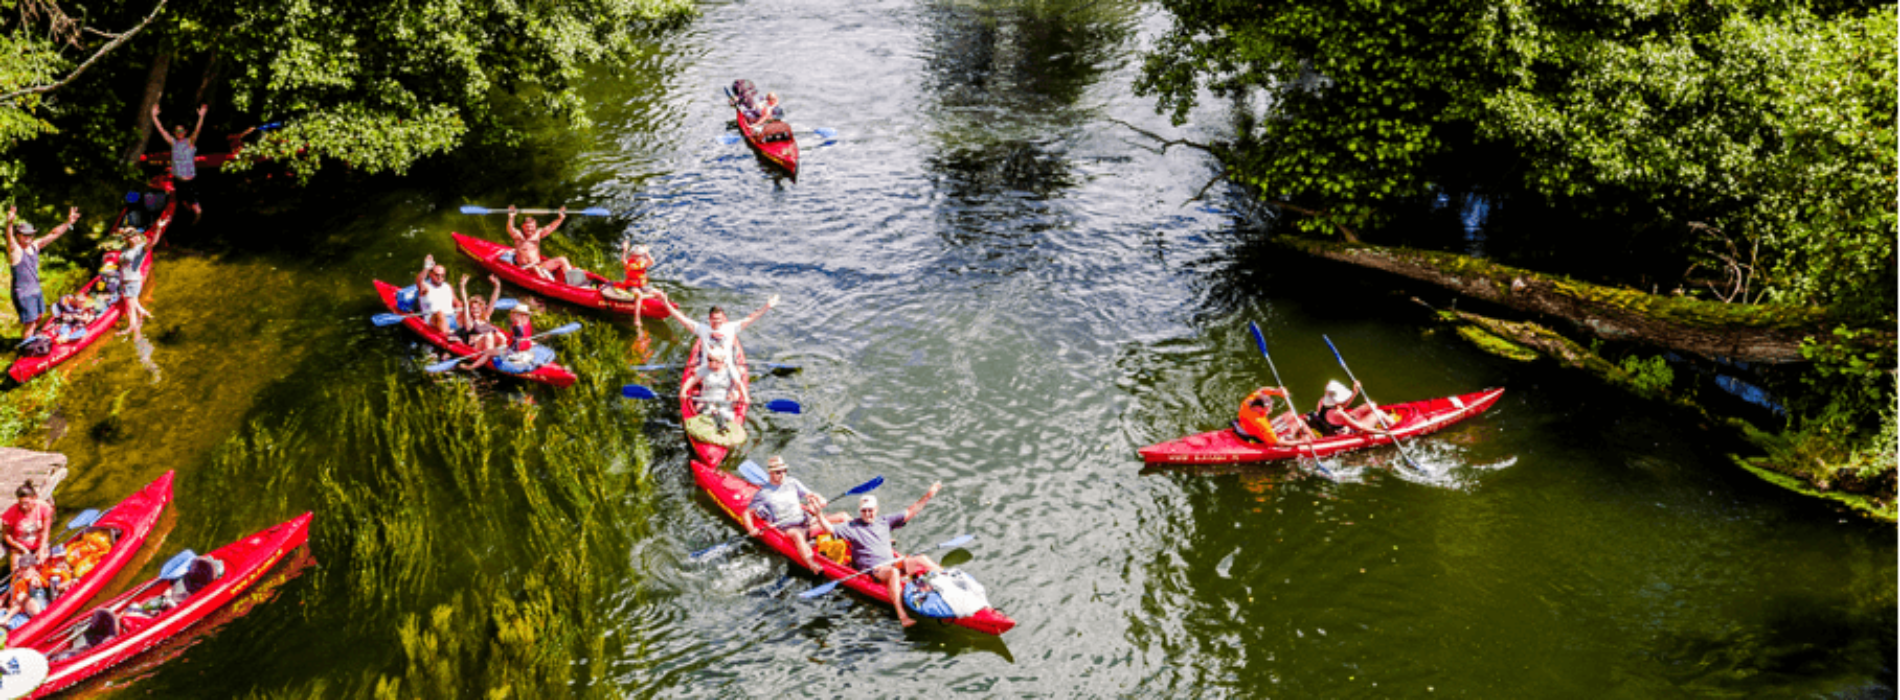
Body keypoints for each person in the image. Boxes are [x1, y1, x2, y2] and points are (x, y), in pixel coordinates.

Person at [814, 483, 944, 628]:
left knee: (921, 558)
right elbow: (830, 529)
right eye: (864, 511)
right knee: (893, 572)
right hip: (876, 571)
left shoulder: (884, 521)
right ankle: (903, 616)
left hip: (893, 562)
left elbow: (911, 511)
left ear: (876, 510)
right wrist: (819, 514)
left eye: (871, 510)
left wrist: (929, 495)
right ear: (860, 511)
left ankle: (947, 577)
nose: (868, 514)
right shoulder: (852, 526)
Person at [743, 456, 831, 574]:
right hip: (788, 528)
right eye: (778, 472)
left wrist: (820, 498)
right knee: (797, 535)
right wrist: (751, 528)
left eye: (784, 470)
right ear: (770, 473)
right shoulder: (764, 493)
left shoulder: (792, 482)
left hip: (805, 521)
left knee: (842, 516)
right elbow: (747, 513)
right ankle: (812, 565)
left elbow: (810, 495)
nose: (782, 474)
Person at [8, 206, 81, 342]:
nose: (29, 237)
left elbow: (53, 234)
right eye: (25, 235)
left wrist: (68, 223)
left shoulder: (35, 245)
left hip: (35, 289)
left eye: (31, 234)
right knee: (29, 323)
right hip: (24, 293)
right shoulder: (16, 251)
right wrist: (10, 223)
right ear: (18, 235)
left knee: (39, 315)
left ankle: (33, 339)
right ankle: (28, 349)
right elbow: (9, 239)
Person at [660, 293, 779, 370]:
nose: (716, 322)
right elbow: (681, 319)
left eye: (719, 319)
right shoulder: (702, 329)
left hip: (727, 367)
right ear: (709, 319)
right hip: (707, 366)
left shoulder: (731, 327)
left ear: (723, 319)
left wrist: (767, 306)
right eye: (714, 319)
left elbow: (751, 318)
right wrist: (666, 303)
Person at [149, 103, 208, 223]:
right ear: (175, 133)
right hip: (178, 180)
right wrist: (154, 116)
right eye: (176, 131)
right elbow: (162, 131)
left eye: (181, 130)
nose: (179, 132)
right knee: (182, 202)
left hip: (189, 181)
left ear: (185, 132)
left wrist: (201, 116)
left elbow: (197, 130)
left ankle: (198, 220)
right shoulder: (173, 143)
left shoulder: (189, 142)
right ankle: (186, 220)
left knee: (196, 207)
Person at [505, 206, 573, 282]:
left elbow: (551, 227)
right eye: (527, 227)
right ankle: (550, 284)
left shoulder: (538, 234)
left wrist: (560, 218)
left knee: (563, 259)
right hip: (525, 268)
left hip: (539, 265)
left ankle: (573, 282)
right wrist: (511, 217)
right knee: (535, 268)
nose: (530, 229)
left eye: (532, 227)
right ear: (523, 227)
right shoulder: (518, 236)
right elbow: (510, 229)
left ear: (535, 227)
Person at [678, 351, 747, 426]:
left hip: (724, 401)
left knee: (726, 415)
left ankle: (721, 421)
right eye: (709, 359)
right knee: (705, 412)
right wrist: (683, 391)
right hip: (706, 399)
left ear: (722, 361)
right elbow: (692, 380)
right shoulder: (705, 369)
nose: (711, 363)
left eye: (714, 360)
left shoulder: (730, 371)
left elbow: (739, 384)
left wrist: (745, 397)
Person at [1304, 380, 1393, 437]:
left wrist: (1355, 392)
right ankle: (1394, 427)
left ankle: (1386, 422)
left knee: (1371, 405)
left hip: (1337, 425)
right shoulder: (1339, 414)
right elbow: (1361, 427)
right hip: (1349, 431)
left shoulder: (1322, 402)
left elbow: (1342, 405)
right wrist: (1382, 433)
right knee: (1378, 413)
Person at [2, 481, 55, 572]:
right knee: (18, 572)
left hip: (38, 544)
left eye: (26, 503)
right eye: (20, 503)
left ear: (34, 498)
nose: (23, 506)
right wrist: (21, 548)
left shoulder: (44, 508)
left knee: (47, 566)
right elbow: (6, 535)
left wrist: (41, 549)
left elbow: (46, 531)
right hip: (19, 547)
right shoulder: (11, 513)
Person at [1235, 386, 1314, 445]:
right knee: (1299, 422)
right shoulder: (1260, 422)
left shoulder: (1247, 402)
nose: (1270, 411)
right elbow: (1278, 442)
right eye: (1267, 409)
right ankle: (1315, 442)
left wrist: (1276, 391)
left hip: (1248, 426)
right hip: (1261, 435)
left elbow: (1262, 390)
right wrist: (1302, 442)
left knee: (1292, 413)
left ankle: (1309, 437)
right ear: (1259, 408)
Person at [115, 228, 155, 337]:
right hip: (125, 280)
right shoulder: (125, 248)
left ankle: (132, 327)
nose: (133, 237)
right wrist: (122, 232)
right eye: (131, 236)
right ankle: (143, 313)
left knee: (130, 307)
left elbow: (153, 243)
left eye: (135, 235)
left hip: (133, 281)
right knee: (133, 302)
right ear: (127, 238)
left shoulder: (140, 248)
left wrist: (160, 228)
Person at [414, 254, 457, 336]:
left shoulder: (448, 287)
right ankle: (449, 336)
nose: (440, 277)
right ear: (431, 274)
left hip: (451, 318)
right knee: (440, 313)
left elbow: (456, 302)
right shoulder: (426, 287)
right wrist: (427, 268)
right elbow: (419, 281)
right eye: (437, 275)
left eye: (442, 275)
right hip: (434, 320)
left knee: (467, 308)